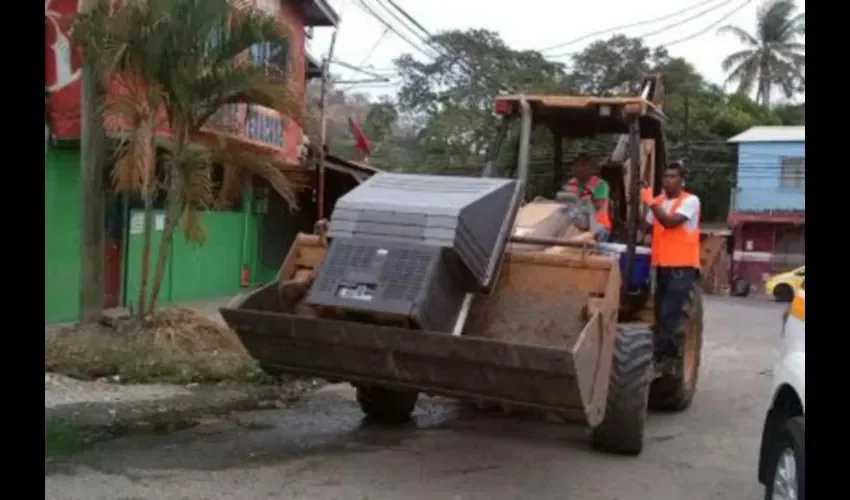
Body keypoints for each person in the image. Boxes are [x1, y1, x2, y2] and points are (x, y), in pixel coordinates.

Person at [640, 162, 701, 365]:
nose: (668, 180)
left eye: (673, 176)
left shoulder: (690, 201)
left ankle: (664, 357)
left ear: (682, 181)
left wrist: (649, 202)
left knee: (670, 313)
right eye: (665, 176)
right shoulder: (658, 201)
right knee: (659, 312)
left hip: (682, 267)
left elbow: (669, 222)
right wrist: (639, 204)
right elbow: (646, 226)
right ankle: (667, 353)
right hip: (661, 266)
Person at [564, 153, 612, 241]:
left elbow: (598, 206)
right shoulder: (570, 183)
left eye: (584, 165)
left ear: (591, 168)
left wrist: (583, 196)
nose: (580, 168)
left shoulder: (600, 185)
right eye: (577, 165)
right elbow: (565, 203)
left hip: (598, 225)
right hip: (575, 223)